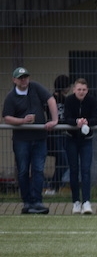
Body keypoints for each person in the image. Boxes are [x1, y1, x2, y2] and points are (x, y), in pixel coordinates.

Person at [3, 67, 58, 214]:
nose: (24, 80)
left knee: (38, 170)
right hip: (21, 141)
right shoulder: (11, 97)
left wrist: (54, 120)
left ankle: (37, 201)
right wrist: (22, 121)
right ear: (14, 80)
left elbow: (51, 100)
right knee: (22, 171)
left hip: (39, 138)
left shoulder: (36, 87)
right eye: (20, 78)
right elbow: (7, 117)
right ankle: (27, 202)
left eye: (26, 77)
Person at [63, 78, 97, 214]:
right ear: (74, 90)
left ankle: (86, 201)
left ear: (87, 90)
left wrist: (86, 122)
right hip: (71, 139)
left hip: (86, 140)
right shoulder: (69, 101)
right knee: (73, 170)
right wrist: (76, 122)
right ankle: (76, 202)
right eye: (79, 89)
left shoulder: (92, 100)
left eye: (84, 90)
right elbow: (66, 118)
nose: (81, 92)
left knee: (86, 170)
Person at [45, 74, 71, 197]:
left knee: (62, 161)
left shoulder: (66, 100)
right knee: (64, 161)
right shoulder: (50, 100)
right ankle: (52, 186)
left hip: (63, 134)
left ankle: (55, 187)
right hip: (53, 135)